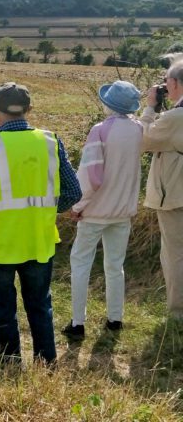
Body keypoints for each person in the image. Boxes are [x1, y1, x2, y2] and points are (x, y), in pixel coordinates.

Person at [0, 82, 81, 365]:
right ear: (29, 110)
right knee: (40, 305)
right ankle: (46, 362)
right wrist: (49, 212)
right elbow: (74, 192)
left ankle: (9, 364)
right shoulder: (51, 141)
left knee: (2, 308)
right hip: (38, 241)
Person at [62, 81, 143, 340]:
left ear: (108, 103)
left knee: (81, 263)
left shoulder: (100, 130)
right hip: (123, 211)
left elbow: (90, 176)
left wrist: (77, 205)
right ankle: (115, 318)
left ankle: (78, 322)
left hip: (96, 211)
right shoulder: (138, 129)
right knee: (115, 266)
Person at [140, 55, 183, 320]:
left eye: (167, 81)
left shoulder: (174, 118)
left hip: (176, 195)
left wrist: (150, 108)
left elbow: (142, 140)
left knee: (176, 254)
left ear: (176, 84)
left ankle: (178, 313)